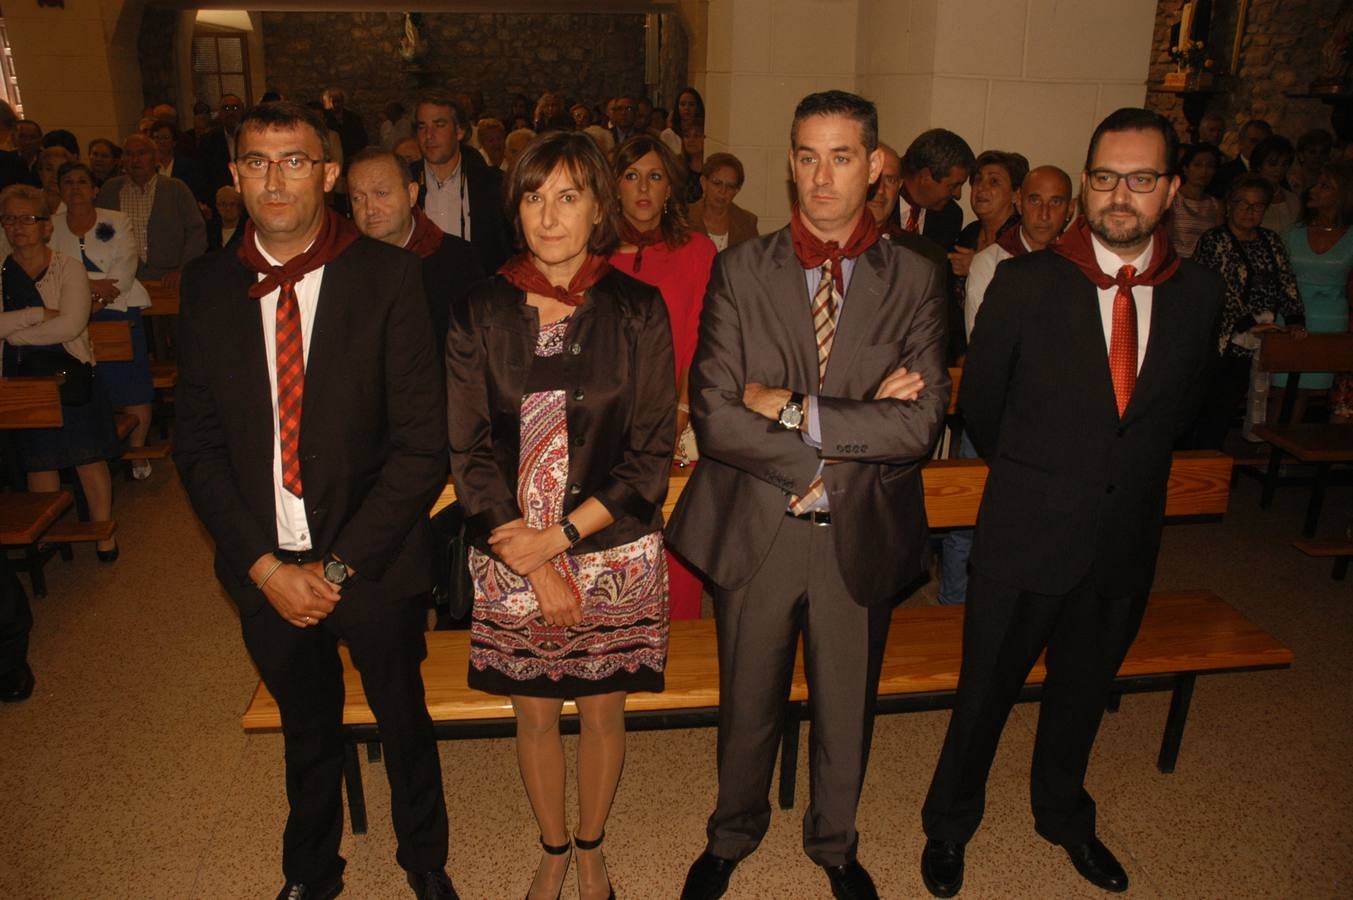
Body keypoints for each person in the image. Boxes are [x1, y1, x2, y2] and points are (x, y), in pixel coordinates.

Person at [919, 108, 1224, 899]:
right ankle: (949, 823)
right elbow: (982, 408)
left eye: (1141, 178)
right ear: (1084, 182)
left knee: (1082, 693)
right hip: (1025, 533)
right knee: (983, 693)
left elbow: (1178, 411)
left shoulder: (1196, 297)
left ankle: (1063, 815)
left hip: (1121, 542)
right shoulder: (1024, 285)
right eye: (1104, 177)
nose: (1120, 195)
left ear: (1171, 189)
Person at [173, 100, 456, 900]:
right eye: (257, 161)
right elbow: (194, 446)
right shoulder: (207, 287)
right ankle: (311, 871)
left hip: (370, 559)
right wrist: (264, 567)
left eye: (294, 160)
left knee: (403, 720)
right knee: (308, 727)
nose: (275, 178)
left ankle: (425, 861)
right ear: (233, 177)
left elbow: (420, 446)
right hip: (264, 563)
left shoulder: (389, 278)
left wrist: (334, 567)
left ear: (327, 174)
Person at [669, 90, 949, 900]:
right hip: (758, 521)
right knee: (746, 699)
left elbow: (921, 422)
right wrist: (821, 460)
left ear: (874, 166)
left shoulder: (918, 278)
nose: (820, 176)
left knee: (844, 706)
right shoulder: (740, 268)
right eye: (805, 156)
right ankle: (731, 834)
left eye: (840, 156)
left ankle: (834, 842)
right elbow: (717, 415)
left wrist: (792, 409)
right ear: (789, 163)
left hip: (858, 529)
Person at [446, 130, 675, 900]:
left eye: (568, 195)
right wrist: (535, 557)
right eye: (534, 196)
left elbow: (649, 454)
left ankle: (591, 845)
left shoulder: (637, 308)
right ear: (515, 207)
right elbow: (468, 448)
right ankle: (550, 846)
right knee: (537, 713)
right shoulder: (480, 308)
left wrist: (565, 538)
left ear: (599, 208)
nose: (549, 215)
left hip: (611, 550)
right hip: (510, 548)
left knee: (603, 708)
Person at [609, 135, 717, 620]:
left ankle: (683, 659)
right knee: (612, 544)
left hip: (681, 417)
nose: (644, 189)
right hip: (608, 421)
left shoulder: (696, 250)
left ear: (670, 186)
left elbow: (704, 338)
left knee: (678, 543)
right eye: (632, 176)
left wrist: (681, 409)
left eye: (655, 176)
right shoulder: (593, 251)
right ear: (614, 186)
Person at [1, 184, 120, 559]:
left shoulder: (67, 267)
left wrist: (14, 334)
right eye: (9, 219)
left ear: (46, 227)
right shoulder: (2, 272)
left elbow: (70, 326)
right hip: (22, 377)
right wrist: (36, 315)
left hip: (71, 370)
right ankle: (50, 532)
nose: (18, 226)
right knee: (40, 459)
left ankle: (104, 532)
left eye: (27, 218)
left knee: (86, 456)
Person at [51, 161, 157, 478]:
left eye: (82, 181)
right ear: (59, 189)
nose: (75, 188)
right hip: (69, 312)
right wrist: (85, 291)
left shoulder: (116, 220)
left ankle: (137, 452)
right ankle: (93, 448)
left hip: (118, 307)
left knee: (130, 382)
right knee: (85, 384)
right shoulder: (50, 226)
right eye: (67, 182)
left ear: (95, 189)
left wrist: (89, 297)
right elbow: (51, 271)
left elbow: (124, 269)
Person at [1191, 174, 1305, 447]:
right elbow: (1216, 289)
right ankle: (1196, 467)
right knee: (1206, 407)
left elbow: (1287, 282)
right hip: (1220, 339)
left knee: (1231, 404)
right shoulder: (1214, 240)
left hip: (1260, 339)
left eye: (1257, 205)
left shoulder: (1272, 241)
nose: (1249, 211)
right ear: (1229, 205)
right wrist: (1247, 324)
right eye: (1243, 203)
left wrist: (1294, 320)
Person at [347, 147, 484, 344]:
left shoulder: (458, 261)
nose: (370, 209)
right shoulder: (343, 263)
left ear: (411, 194)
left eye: (381, 193)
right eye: (358, 198)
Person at [964, 166, 1075, 335]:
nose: (1044, 214)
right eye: (1035, 200)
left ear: (1070, 209)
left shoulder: (1082, 264)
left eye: (1055, 202)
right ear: (1019, 202)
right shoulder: (989, 264)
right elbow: (982, 347)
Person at [411, 92, 513, 273]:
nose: (429, 135)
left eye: (439, 125)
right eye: (422, 127)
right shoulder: (404, 183)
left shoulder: (494, 185)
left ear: (459, 131)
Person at [1283, 162, 1353, 411]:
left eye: (1324, 187)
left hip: (1332, 317)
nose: (1313, 190)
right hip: (1294, 316)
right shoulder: (1294, 233)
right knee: (1281, 386)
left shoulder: (1351, 235)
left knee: (1315, 389)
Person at [96, 133, 206, 285]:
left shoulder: (176, 189)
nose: (135, 160)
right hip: (123, 278)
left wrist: (183, 271)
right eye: (129, 154)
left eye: (141, 153)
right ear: (122, 160)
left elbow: (197, 233)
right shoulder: (110, 190)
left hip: (170, 279)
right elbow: (101, 235)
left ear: (155, 158)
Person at [687, 152, 758, 251]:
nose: (723, 191)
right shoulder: (684, 218)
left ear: (736, 191)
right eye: (717, 183)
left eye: (730, 186)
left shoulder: (747, 223)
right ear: (703, 183)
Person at [1168, 143, 1223, 258]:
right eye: (1197, 165)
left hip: (1205, 267)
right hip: (1177, 264)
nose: (1204, 171)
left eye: (1210, 166)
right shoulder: (1173, 199)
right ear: (1185, 169)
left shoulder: (1216, 205)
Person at [1251, 135, 1302, 235]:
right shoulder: (1248, 198)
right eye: (1272, 164)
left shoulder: (1293, 199)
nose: (1279, 169)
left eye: (1284, 164)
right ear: (1259, 165)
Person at [1212, 118, 1272, 199]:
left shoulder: (1274, 174)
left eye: (1264, 143)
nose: (1259, 147)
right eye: (1254, 141)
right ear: (1241, 142)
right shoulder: (1223, 174)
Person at [322, 86, 370, 162]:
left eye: (338, 101)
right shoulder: (324, 118)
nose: (336, 104)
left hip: (352, 157)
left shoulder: (354, 117)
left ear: (343, 101)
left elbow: (362, 138)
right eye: (333, 102)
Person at [1290, 128, 1334, 197]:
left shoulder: (1330, 182)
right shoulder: (1291, 182)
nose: (1317, 156)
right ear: (1301, 154)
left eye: (1322, 153)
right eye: (1312, 152)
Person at [206, 185, 246, 251]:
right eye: (223, 204)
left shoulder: (247, 231)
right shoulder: (209, 230)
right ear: (217, 207)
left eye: (232, 204)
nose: (228, 208)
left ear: (240, 207)